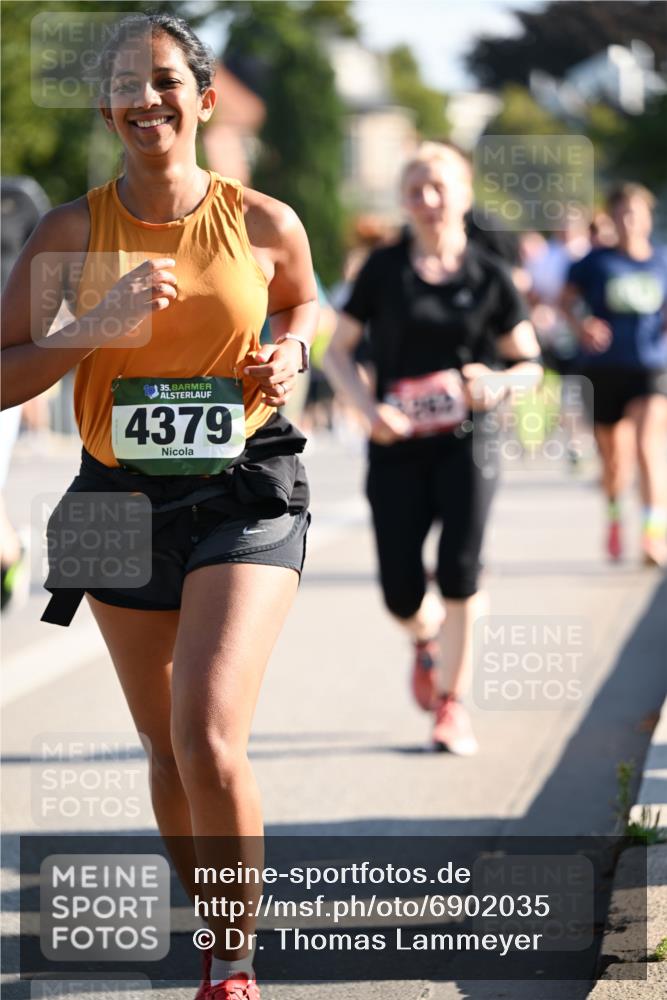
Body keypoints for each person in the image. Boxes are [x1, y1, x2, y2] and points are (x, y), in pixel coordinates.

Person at [1, 13, 318, 999]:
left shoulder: (263, 221)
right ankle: (218, 918)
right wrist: (97, 321)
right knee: (165, 746)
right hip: (112, 499)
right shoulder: (68, 230)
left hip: (243, 490)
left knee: (209, 730)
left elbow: (304, 302)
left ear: (203, 96)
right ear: (106, 109)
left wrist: (292, 352)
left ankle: (232, 958)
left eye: (166, 81)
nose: (147, 100)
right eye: (127, 87)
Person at [325, 142, 542, 754]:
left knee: (460, 569)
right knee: (400, 589)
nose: (426, 198)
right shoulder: (383, 270)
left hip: (468, 441)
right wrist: (369, 412)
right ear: (402, 199)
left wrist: (498, 382)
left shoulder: (489, 274)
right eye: (415, 187)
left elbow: (530, 362)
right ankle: (426, 639)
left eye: (438, 186)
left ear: (464, 195)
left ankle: (451, 705)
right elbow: (337, 352)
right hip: (396, 443)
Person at [561, 182, 667, 565]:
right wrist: (582, 326)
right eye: (621, 214)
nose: (629, 222)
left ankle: (653, 537)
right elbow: (566, 301)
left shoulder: (662, 260)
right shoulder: (594, 262)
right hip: (604, 369)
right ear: (611, 218)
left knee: (647, 449)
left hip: (651, 365)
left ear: (648, 218)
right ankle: (614, 519)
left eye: (636, 213)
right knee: (614, 463)